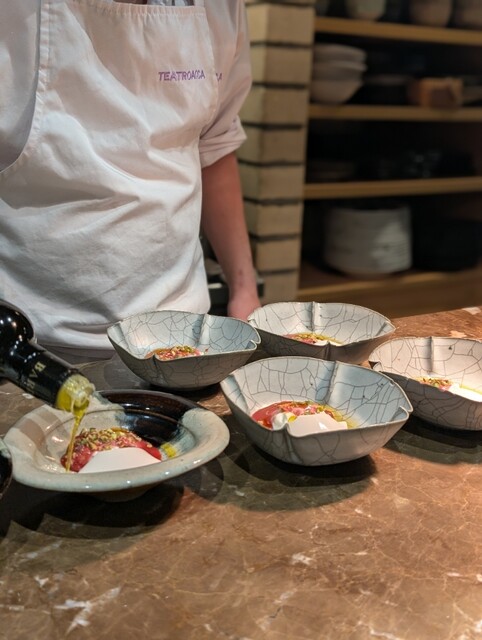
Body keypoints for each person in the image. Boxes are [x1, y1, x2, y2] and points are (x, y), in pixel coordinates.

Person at [0, 0, 260, 362]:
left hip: (183, 339)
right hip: (27, 344)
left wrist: (244, 290)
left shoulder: (221, 8)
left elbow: (213, 147)